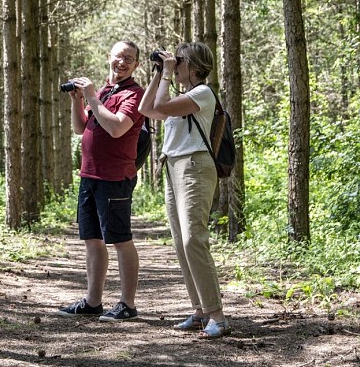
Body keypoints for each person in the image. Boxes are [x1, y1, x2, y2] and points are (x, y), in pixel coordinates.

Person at [138, 41, 230, 339]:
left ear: (194, 66)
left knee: (193, 239)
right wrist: (158, 72)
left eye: (179, 62)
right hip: (173, 165)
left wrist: (166, 74)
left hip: (194, 166)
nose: (175, 66)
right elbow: (146, 109)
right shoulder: (180, 94)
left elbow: (162, 106)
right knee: (179, 241)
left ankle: (217, 314)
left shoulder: (202, 93)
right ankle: (200, 310)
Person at [57, 40, 145, 322]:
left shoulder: (135, 94)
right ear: (109, 57)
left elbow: (117, 128)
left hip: (114, 177)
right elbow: (80, 128)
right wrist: (79, 102)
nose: (123, 62)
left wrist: (92, 97)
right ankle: (93, 301)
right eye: (119, 56)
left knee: (120, 240)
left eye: (129, 58)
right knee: (92, 240)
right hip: (89, 175)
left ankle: (127, 304)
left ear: (136, 65)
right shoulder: (106, 91)